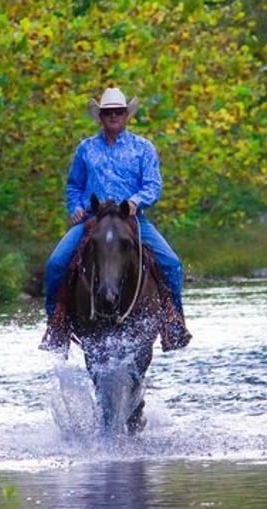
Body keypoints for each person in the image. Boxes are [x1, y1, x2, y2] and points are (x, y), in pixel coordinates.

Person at [40, 87, 191, 353]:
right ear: (100, 116)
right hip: (92, 220)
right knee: (55, 264)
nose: (113, 116)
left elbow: (153, 185)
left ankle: (173, 323)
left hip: (131, 219)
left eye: (118, 112)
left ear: (126, 115)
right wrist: (74, 207)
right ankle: (57, 326)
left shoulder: (143, 148)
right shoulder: (85, 149)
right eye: (108, 112)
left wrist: (135, 201)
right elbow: (74, 186)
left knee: (172, 263)